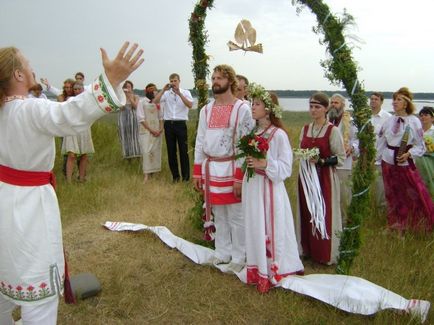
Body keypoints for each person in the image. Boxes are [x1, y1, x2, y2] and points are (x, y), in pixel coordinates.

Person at [0, 42, 143, 325]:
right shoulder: (29, 110)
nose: (32, 67)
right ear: (17, 75)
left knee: (5, 270)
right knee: (38, 287)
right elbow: (69, 115)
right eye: (27, 63)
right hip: (29, 206)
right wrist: (111, 80)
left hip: (4, 197)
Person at [242, 84, 304, 293]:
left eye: (257, 104)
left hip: (269, 189)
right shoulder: (253, 132)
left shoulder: (278, 135)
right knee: (254, 224)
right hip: (253, 187)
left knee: (270, 226)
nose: (252, 107)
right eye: (252, 103)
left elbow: (286, 168)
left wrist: (265, 164)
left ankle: (273, 268)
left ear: (268, 109)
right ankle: (257, 266)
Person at [193, 64, 254, 272]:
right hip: (211, 168)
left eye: (220, 78)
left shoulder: (242, 108)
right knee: (218, 213)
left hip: (232, 166)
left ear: (230, 81)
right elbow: (200, 140)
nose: (215, 82)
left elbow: (245, 145)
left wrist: (239, 176)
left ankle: (239, 256)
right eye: (213, 78)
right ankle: (222, 252)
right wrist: (197, 171)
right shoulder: (206, 109)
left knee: (236, 214)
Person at [296, 92, 346, 265]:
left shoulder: (332, 130)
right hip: (306, 177)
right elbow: (300, 149)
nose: (313, 110)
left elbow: (340, 157)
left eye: (317, 107)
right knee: (307, 211)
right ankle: (307, 249)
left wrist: (322, 161)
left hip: (324, 179)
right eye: (311, 106)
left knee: (324, 213)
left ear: (326, 109)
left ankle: (324, 253)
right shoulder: (305, 129)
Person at [377, 88, 434, 232]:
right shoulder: (389, 120)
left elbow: (420, 145)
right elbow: (381, 141)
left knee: (410, 195)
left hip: (404, 163)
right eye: (394, 99)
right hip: (388, 162)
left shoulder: (414, 121)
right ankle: (394, 225)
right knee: (392, 194)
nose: (395, 102)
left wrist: (409, 154)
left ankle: (414, 225)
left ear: (406, 103)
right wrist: (377, 158)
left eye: (399, 99)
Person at [153, 73, 193, 182]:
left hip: (180, 124)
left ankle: (186, 178)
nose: (173, 83)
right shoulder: (166, 94)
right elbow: (155, 101)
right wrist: (162, 90)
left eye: (175, 81)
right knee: (171, 152)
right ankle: (175, 177)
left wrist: (179, 94)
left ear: (179, 81)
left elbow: (190, 105)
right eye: (171, 81)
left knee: (183, 151)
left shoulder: (186, 92)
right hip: (169, 124)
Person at [328, 94, 359, 225]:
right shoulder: (328, 119)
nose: (334, 105)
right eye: (332, 102)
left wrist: (352, 148)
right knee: (331, 195)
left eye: (337, 103)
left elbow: (357, 139)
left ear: (343, 105)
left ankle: (346, 223)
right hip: (328, 163)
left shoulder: (350, 121)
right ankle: (334, 222)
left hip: (344, 164)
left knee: (344, 196)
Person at [61, 81, 95, 182]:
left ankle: (81, 178)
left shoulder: (87, 101)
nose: (76, 91)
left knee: (84, 154)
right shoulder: (70, 99)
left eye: (78, 89)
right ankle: (69, 180)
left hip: (84, 128)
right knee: (71, 155)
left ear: (82, 90)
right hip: (72, 128)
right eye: (75, 89)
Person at [136, 83, 163, 182]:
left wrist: (160, 129)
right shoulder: (142, 102)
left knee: (156, 151)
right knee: (146, 152)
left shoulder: (158, 103)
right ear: (147, 92)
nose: (154, 93)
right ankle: (146, 175)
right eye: (152, 91)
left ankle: (155, 173)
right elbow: (141, 118)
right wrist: (151, 130)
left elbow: (161, 117)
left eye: (155, 91)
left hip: (157, 130)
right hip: (146, 131)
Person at [369, 92, 391, 208]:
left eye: (376, 99)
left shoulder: (388, 118)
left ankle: (381, 213)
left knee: (380, 189)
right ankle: (368, 211)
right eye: (371, 99)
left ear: (381, 102)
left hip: (380, 160)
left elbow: (390, 140)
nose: (373, 101)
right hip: (364, 159)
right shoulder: (365, 116)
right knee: (365, 188)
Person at [118, 80, 141, 160]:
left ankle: (137, 154)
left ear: (131, 88)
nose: (127, 89)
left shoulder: (136, 96)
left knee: (135, 135)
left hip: (133, 117)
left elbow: (136, 107)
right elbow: (120, 108)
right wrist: (123, 97)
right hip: (123, 117)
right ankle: (127, 156)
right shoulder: (120, 97)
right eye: (125, 87)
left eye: (129, 87)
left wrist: (129, 97)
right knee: (125, 136)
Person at [415, 106, 434, 198]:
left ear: (432, 118)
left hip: (430, 164)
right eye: (421, 115)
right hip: (417, 163)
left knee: (430, 187)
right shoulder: (417, 131)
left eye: (426, 115)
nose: (423, 117)